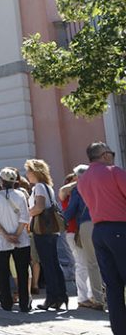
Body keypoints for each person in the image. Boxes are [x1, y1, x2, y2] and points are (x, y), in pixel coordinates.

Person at [77, 141, 126, 335]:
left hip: (99, 231)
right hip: (120, 228)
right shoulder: (113, 171)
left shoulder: (83, 179)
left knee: (113, 286)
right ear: (105, 155)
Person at [25, 158, 67, 310]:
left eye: (29, 171)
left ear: (35, 172)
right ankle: (61, 296)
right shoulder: (47, 186)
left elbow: (40, 207)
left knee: (48, 264)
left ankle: (52, 298)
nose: (27, 174)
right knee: (54, 263)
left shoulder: (39, 187)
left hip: (42, 229)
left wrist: (26, 214)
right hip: (51, 229)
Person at [0, 168, 32, 312]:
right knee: (22, 272)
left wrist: (7, 236)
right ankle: (24, 302)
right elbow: (24, 218)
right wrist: (17, 234)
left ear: (1, 181)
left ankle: (6, 301)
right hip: (21, 239)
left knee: (3, 271)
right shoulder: (21, 195)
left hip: (2, 240)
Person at [63, 164, 105, 310]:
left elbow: (71, 209)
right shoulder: (101, 185)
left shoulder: (78, 189)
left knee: (90, 263)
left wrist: (61, 221)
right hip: (105, 223)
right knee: (103, 261)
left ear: (77, 176)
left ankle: (96, 298)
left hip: (87, 225)